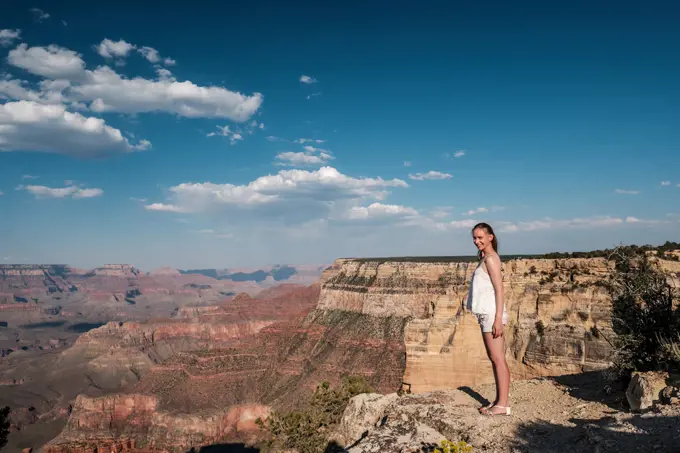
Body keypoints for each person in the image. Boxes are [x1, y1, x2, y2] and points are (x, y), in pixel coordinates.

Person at [466, 222, 511, 416]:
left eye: (480, 237)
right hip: (487, 314)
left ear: (490, 237)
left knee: (498, 359)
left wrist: (498, 318)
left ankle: (502, 405)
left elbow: (499, 289)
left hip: (492, 314)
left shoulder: (492, 258)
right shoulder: (485, 258)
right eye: (474, 238)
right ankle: (498, 401)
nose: (476, 241)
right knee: (495, 359)